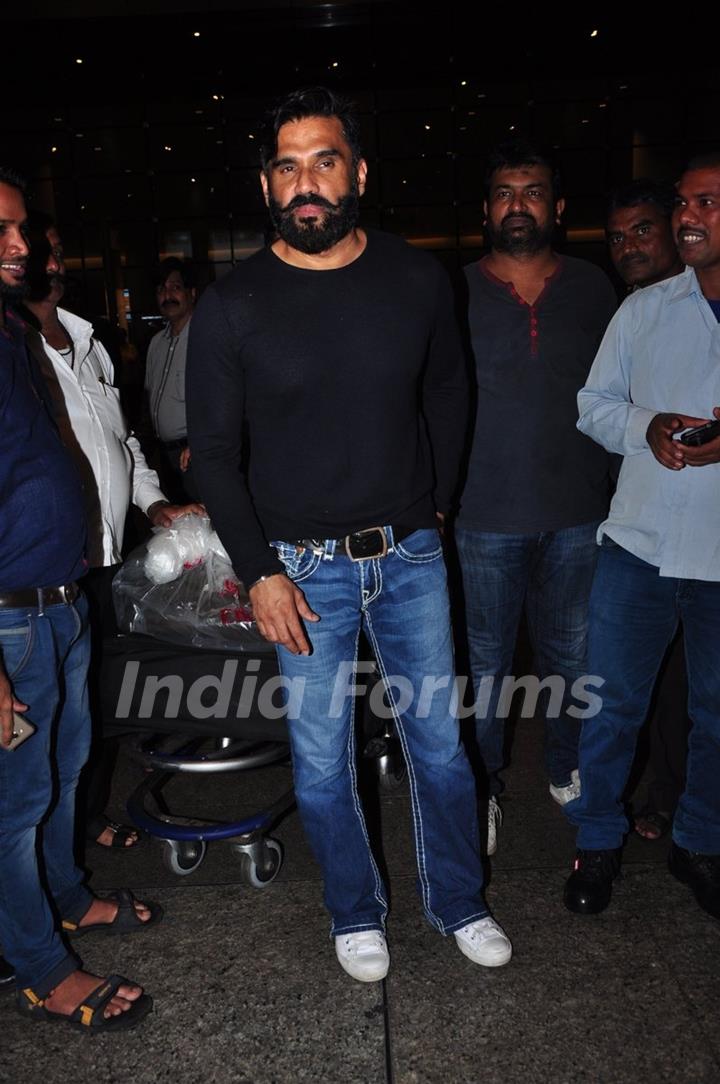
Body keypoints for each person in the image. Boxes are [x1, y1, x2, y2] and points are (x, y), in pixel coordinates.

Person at [187, 87, 511, 982]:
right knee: (323, 761)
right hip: (299, 571)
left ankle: (460, 900)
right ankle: (352, 910)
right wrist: (258, 571)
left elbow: (450, 392)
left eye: (323, 160)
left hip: (409, 556)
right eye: (287, 166)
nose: (307, 182)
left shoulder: (415, 278)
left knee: (441, 748)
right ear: (267, 186)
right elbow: (211, 455)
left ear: (357, 172)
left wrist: (435, 504)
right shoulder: (233, 304)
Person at [0, 167, 156, 1030]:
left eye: (22, 228)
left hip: (56, 598)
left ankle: (62, 895)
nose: (21, 246)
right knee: (10, 807)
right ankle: (38, 967)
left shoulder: (12, 333)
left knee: (64, 771)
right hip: (8, 615)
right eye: (2, 230)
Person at [563, 154, 720, 918]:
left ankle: (699, 844)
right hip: (640, 544)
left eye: (708, 203)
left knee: (716, 714)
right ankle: (597, 845)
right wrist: (644, 425)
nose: (690, 217)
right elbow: (592, 405)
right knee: (612, 706)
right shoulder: (645, 311)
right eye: (685, 203)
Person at [453, 138, 617, 855]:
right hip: (482, 517)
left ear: (557, 206)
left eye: (532, 191)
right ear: (486, 208)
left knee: (573, 659)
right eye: (504, 192)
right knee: (484, 668)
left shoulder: (592, 287)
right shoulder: (452, 291)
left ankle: (567, 767)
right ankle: (483, 786)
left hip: (580, 513)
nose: (517, 205)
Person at [20, 211, 203, 850]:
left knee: (87, 707)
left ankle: (82, 822)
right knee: (41, 724)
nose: (48, 258)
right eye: (36, 247)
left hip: (98, 560)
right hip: (40, 568)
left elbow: (120, 441)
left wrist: (155, 507)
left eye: (56, 246)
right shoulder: (18, 352)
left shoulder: (87, 342)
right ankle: (47, 851)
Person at [605, 179, 690, 841]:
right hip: (642, 529)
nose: (630, 245)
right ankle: (663, 800)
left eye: (643, 230)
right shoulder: (630, 312)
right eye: (619, 235)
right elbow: (597, 407)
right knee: (650, 685)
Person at [145, 257, 199, 502]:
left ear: (192, 293)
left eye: (175, 287)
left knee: (207, 525)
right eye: (161, 289)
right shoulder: (156, 343)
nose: (167, 295)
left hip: (197, 454)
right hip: (164, 457)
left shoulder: (205, 338)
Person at [606, 178, 684, 290]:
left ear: (676, 230)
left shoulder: (710, 293)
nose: (628, 249)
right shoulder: (629, 305)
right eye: (617, 239)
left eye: (643, 231)